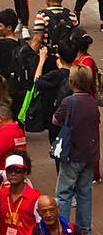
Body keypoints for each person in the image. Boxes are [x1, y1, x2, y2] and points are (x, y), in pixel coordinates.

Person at [53, 64, 98, 235]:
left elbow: (55, 120)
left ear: (71, 82)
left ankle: (63, 228)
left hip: (72, 153)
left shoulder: (69, 101)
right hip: (90, 154)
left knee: (64, 193)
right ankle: (84, 228)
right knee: (84, 193)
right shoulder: (92, 102)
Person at [0, 154, 40, 235]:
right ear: (6, 174)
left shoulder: (35, 197)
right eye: (10, 170)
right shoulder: (1, 194)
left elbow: (41, 226)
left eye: (18, 170)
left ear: (25, 173)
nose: (13, 173)